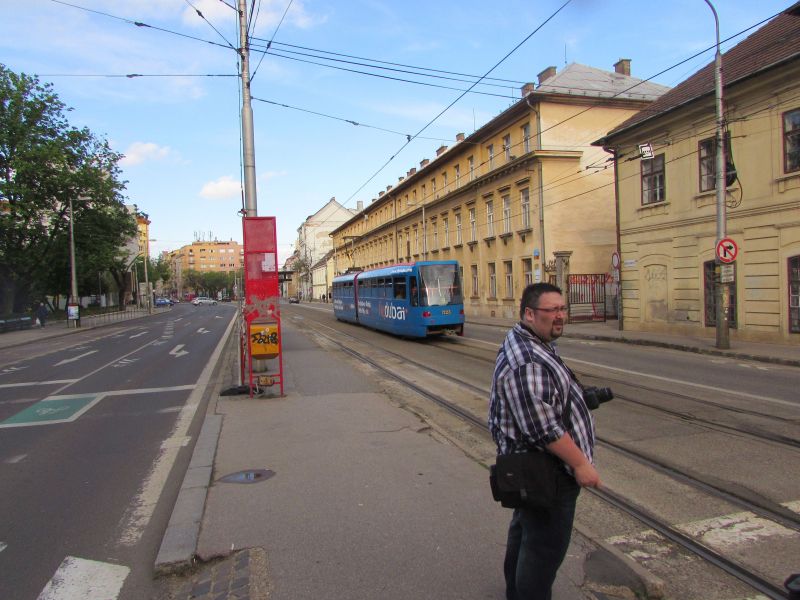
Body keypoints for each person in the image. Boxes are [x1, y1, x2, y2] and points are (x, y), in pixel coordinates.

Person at [488, 283, 599, 600]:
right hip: (546, 473)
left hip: (531, 469)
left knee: (525, 534)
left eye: (562, 309)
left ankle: (515, 592)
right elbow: (543, 429)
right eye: (552, 311)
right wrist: (580, 464)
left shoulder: (531, 341)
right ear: (529, 314)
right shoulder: (528, 361)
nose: (560, 316)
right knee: (542, 552)